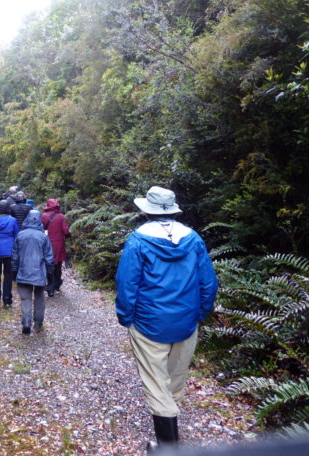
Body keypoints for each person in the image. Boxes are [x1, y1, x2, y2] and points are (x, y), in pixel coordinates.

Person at [115, 186, 218, 452]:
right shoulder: (193, 238)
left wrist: (126, 318)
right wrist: (200, 312)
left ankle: (168, 447)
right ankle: (170, 430)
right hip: (186, 322)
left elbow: (127, 284)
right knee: (175, 378)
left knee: (156, 383)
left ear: (146, 210)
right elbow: (208, 282)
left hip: (149, 322)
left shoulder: (137, 241)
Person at [11, 210, 54, 334]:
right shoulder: (43, 237)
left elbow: (15, 255)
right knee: (40, 297)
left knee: (25, 299)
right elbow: (49, 257)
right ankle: (38, 322)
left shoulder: (20, 235)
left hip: (23, 271)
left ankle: (26, 322)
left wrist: (14, 270)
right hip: (39, 273)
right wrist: (50, 272)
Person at [41, 198, 70, 297]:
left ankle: (50, 288)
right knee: (58, 265)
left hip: (46, 244)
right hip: (59, 244)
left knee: (49, 265)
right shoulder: (61, 216)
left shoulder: (43, 216)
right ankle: (57, 284)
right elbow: (66, 231)